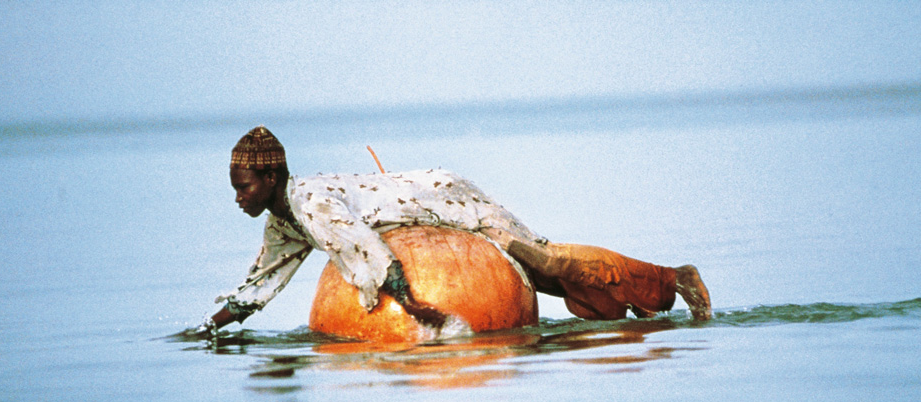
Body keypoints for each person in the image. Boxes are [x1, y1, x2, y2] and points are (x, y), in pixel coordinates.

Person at [194, 126, 711, 336]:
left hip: (447, 201)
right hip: (423, 206)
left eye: (243, 187)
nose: (238, 197)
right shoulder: (285, 221)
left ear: (269, 178)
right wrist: (210, 326)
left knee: (545, 263)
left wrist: (415, 305)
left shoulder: (311, 205)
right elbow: (261, 282)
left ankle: (673, 278)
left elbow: (367, 253)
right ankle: (647, 300)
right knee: (548, 279)